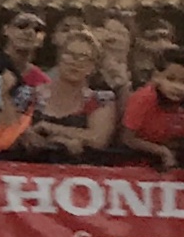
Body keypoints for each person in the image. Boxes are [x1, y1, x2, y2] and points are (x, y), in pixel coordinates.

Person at [14, 27, 116, 162]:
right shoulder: (29, 94)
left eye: (84, 57)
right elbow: (8, 128)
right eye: (69, 54)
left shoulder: (101, 100)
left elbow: (98, 138)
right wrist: (24, 134)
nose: (75, 62)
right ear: (59, 58)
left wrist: (50, 129)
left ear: (93, 67)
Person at [118, 47, 184, 170]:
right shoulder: (143, 98)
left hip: (169, 155)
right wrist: (161, 151)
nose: (177, 87)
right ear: (156, 77)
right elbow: (126, 138)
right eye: (170, 79)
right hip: (131, 155)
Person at [0, 8, 49, 117]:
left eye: (37, 29)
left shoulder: (43, 82)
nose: (29, 32)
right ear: (6, 30)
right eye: (22, 25)